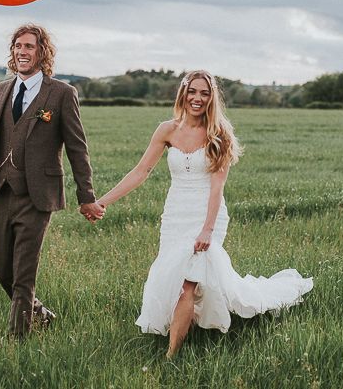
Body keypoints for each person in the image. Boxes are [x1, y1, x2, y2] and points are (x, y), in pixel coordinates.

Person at [96, 70, 313, 357]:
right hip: (175, 215)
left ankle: (171, 355)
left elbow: (217, 188)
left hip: (206, 215)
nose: (197, 98)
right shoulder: (167, 130)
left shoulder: (218, 134)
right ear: (183, 93)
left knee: (188, 284)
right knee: (175, 279)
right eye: (193, 91)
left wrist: (207, 229)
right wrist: (103, 201)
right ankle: (189, 324)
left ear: (212, 98)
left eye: (204, 93)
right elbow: (141, 171)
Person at [0, 24, 104, 338]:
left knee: (24, 275)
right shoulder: (1, 89)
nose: (22, 52)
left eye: (29, 46)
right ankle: (41, 314)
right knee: (2, 271)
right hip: (0, 193)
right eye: (17, 46)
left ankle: (17, 342)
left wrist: (87, 196)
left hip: (37, 197)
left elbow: (78, 148)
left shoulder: (62, 93)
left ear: (42, 52)